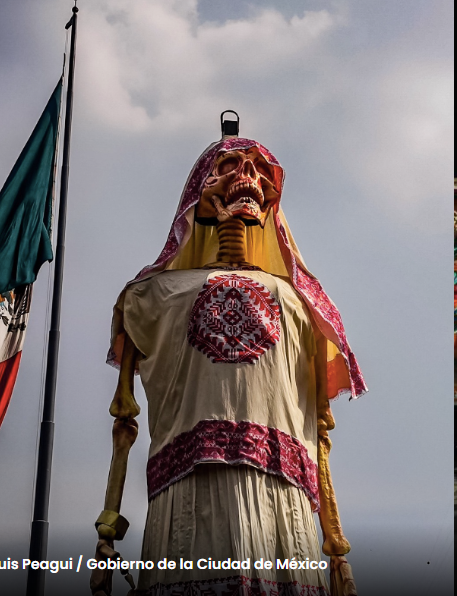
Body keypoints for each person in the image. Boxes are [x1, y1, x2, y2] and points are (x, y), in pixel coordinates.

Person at [93, 137, 366, 595]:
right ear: (197, 192)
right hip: (187, 489)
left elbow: (319, 428)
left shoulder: (303, 304)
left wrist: (333, 541)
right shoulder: (148, 298)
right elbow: (125, 417)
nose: (248, 179)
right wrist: (106, 537)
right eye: (230, 167)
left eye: (259, 172)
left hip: (284, 501)